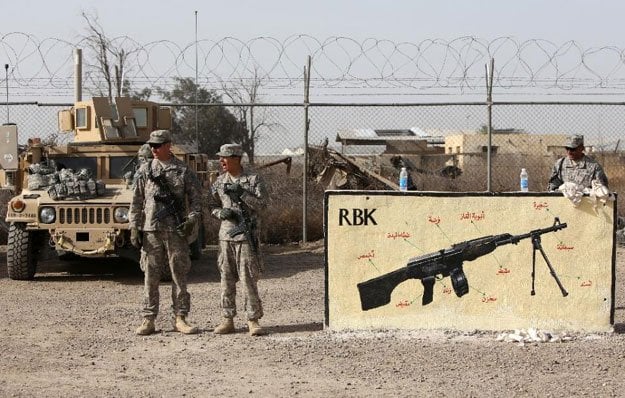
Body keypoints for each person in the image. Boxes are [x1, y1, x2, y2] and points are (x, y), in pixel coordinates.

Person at [129, 129, 202, 336]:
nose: (154, 148)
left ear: (169, 145)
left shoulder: (183, 170)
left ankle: (180, 317)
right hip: (151, 230)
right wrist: (134, 226)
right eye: (151, 145)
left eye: (158, 145)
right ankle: (148, 319)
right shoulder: (144, 170)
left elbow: (197, 199)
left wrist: (192, 219)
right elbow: (136, 201)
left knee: (179, 275)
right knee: (150, 276)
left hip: (176, 231)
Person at [210, 143, 268, 336]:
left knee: (248, 279)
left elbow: (263, 205)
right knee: (226, 279)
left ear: (236, 158)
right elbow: (210, 204)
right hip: (226, 237)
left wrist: (242, 194)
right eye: (220, 158)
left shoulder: (253, 180)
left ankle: (253, 319)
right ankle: (228, 319)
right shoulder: (219, 182)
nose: (221, 161)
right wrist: (220, 213)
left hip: (245, 237)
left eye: (224, 157)